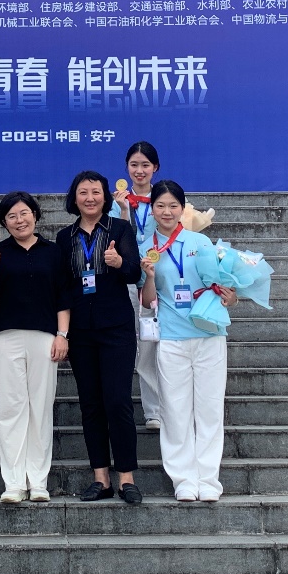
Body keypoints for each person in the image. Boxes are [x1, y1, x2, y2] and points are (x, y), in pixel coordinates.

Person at [139, 180, 239, 503]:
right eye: (160, 206)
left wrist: (231, 296)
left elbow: (224, 288)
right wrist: (149, 276)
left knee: (209, 409)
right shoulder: (146, 247)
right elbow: (147, 301)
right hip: (171, 337)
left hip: (209, 334)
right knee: (175, 410)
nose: (167, 212)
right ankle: (183, 479)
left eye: (173, 206)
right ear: (152, 210)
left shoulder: (201, 242)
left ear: (183, 209)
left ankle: (208, 479)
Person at [56, 170, 144, 505]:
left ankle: (126, 478)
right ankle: (101, 478)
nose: (90, 198)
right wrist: (63, 332)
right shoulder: (65, 237)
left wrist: (119, 262)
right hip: (81, 330)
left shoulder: (120, 229)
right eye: (83, 192)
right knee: (91, 404)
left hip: (116, 327)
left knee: (118, 401)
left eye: (96, 192)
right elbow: (63, 286)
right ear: (74, 198)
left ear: (105, 196)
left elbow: (134, 272)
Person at [0, 191, 71, 504]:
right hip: (5, 336)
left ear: (35, 215)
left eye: (24, 213)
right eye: (11, 216)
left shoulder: (53, 251)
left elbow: (63, 295)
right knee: (11, 408)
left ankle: (38, 481)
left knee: (40, 407)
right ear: (4, 222)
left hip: (44, 336)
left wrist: (62, 334)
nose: (19, 220)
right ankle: (14, 482)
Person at [111, 140, 164, 430]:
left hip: (160, 278)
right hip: (129, 281)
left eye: (145, 165)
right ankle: (145, 410)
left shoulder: (164, 198)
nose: (139, 170)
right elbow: (114, 240)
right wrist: (123, 211)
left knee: (155, 347)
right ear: (126, 168)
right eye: (134, 165)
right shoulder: (115, 202)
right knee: (138, 345)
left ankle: (158, 409)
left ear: (155, 167)